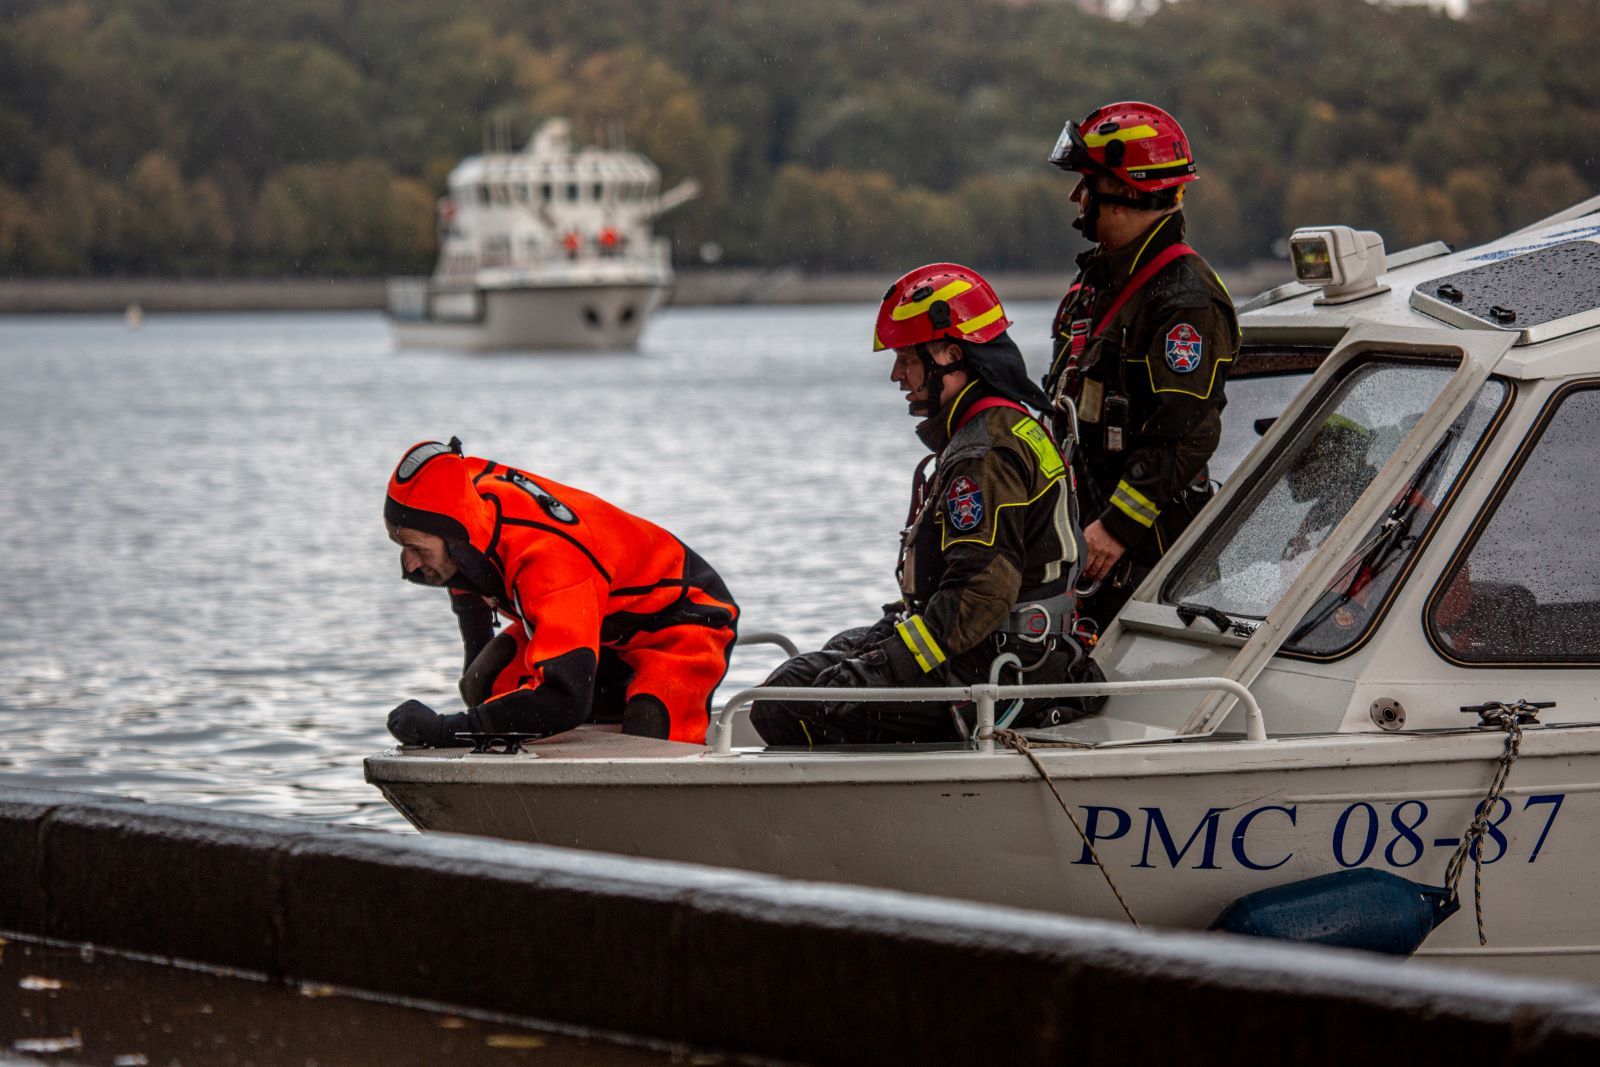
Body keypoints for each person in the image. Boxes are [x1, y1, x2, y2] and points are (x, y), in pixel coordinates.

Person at [750, 264, 1087, 746]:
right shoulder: (990, 431)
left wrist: (883, 668)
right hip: (983, 652)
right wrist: (875, 651)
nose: (896, 375)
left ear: (952, 356)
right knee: (796, 678)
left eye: (906, 359)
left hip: (1001, 671)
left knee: (785, 711)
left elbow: (979, 598)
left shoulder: (984, 452)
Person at [383, 438, 739, 747]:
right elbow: (471, 611)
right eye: (400, 544)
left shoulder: (548, 562)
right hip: (600, 622)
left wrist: (449, 731)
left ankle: (629, 712)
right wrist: (476, 728)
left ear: (456, 540)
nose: (409, 564)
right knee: (485, 680)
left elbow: (564, 698)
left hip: (684, 619)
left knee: (649, 734)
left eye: (417, 548)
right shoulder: (468, 513)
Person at [1042, 101, 1240, 632]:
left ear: (1128, 192)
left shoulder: (1184, 300)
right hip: (1087, 541)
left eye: (1087, 183)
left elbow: (1185, 434)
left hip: (1147, 557)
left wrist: (1116, 527)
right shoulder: (1100, 283)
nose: (1076, 197)